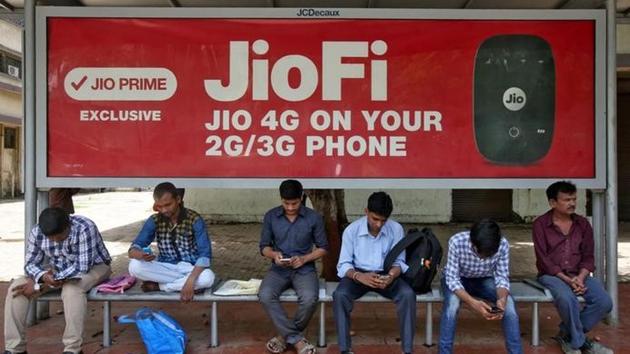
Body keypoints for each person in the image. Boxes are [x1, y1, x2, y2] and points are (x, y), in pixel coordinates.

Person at [4, 207, 112, 354]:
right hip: (56, 270)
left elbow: (82, 267)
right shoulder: (37, 232)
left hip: (95, 267)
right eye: (51, 238)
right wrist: (41, 276)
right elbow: (29, 264)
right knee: (17, 289)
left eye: (59, 237)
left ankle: (72, 349)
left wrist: (41, 284)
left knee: (72, 290)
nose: (55, 241)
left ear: (68, 225)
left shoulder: (85, 227)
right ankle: (15, 349)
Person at [533, 181, 613, 354]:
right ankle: (579, 342)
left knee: (604, 302)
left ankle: (567, 335)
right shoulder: (540, 224)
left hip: (580, 274)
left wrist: (581, 277)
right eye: (567, 199)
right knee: (567, 299)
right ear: (553, 202)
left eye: (574, 199)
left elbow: (588, 256)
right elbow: (543, 260)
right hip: (552, 275)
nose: (572, 203)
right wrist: (567, 280)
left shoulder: (583, 224)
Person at [333, 191, 416, 354]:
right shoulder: (352, 230)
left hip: (386, 274)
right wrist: (359, 276)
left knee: (408, 295)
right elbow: (343, 265)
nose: (378, 224)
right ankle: (345, 349)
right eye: (375, 219)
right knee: (340, 296)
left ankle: (407, 350)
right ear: (366, 212)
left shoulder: (396, 229)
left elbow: (399, 262)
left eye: (383, 221)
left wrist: (391, 276)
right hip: (357, 275)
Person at [258, 179, 328, 354]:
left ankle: (283, 337)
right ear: (281, 199)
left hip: (304, 269)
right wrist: (274, 256)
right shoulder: (271, 216)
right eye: (286, 203)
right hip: (279, 269)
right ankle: (297, 341)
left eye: (294, 203)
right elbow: (263, 247)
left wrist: (305, 259)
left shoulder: (314, 217)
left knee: (310, 298)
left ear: (302, 197)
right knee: (265, 295)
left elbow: (323, 248)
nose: (290, 207)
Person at [438, 219, 523, 354]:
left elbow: (502, 277)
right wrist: (474, 303)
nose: (483, 258)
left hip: (483, 279)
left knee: (509, 304)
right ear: (472, 243)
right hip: (457, 279)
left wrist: (501, 299)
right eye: (480, 253)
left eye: (488, 255)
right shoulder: (456, 241)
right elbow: (452, 279)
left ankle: (516, 352)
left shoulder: (503, 244)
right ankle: (444, 352)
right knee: (452, 305)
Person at [128, 182, 215, 302]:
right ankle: (181, 285)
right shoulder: (154, 220)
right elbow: (134, 248)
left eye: (168, 205)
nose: (164, 210)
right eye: (160, 206)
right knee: (134, 266)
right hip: (166, 267)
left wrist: (190, 280)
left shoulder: (194, 219)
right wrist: (138, 254)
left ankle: (161, 287)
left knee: (208, 277)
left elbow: (205, 256)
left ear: (178, 199)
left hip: (191, 268)